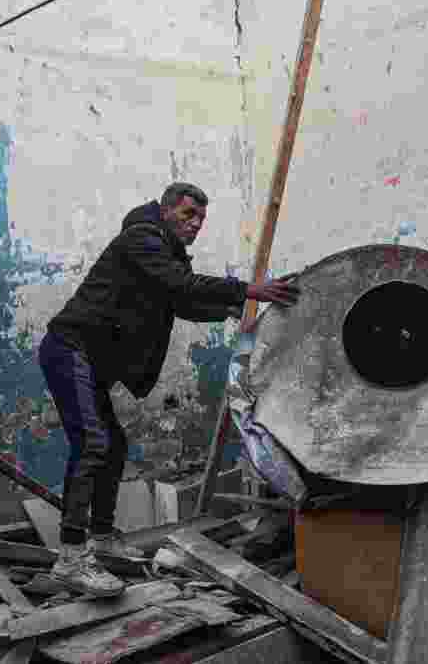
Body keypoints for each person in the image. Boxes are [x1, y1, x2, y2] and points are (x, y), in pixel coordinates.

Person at [38, 182, 300, 596]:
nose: (195, 224)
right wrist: (249, 289)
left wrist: (233, 309)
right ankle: (71, 557)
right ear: (165, 211)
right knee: (93, 443)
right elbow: (181, 284)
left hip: (88, 359)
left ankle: (101, 539)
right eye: (187, 214)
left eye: (201, 219)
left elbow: (182, 302)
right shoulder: (141, 239)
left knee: (113, 446)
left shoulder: (162, 253)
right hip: (70, 350)